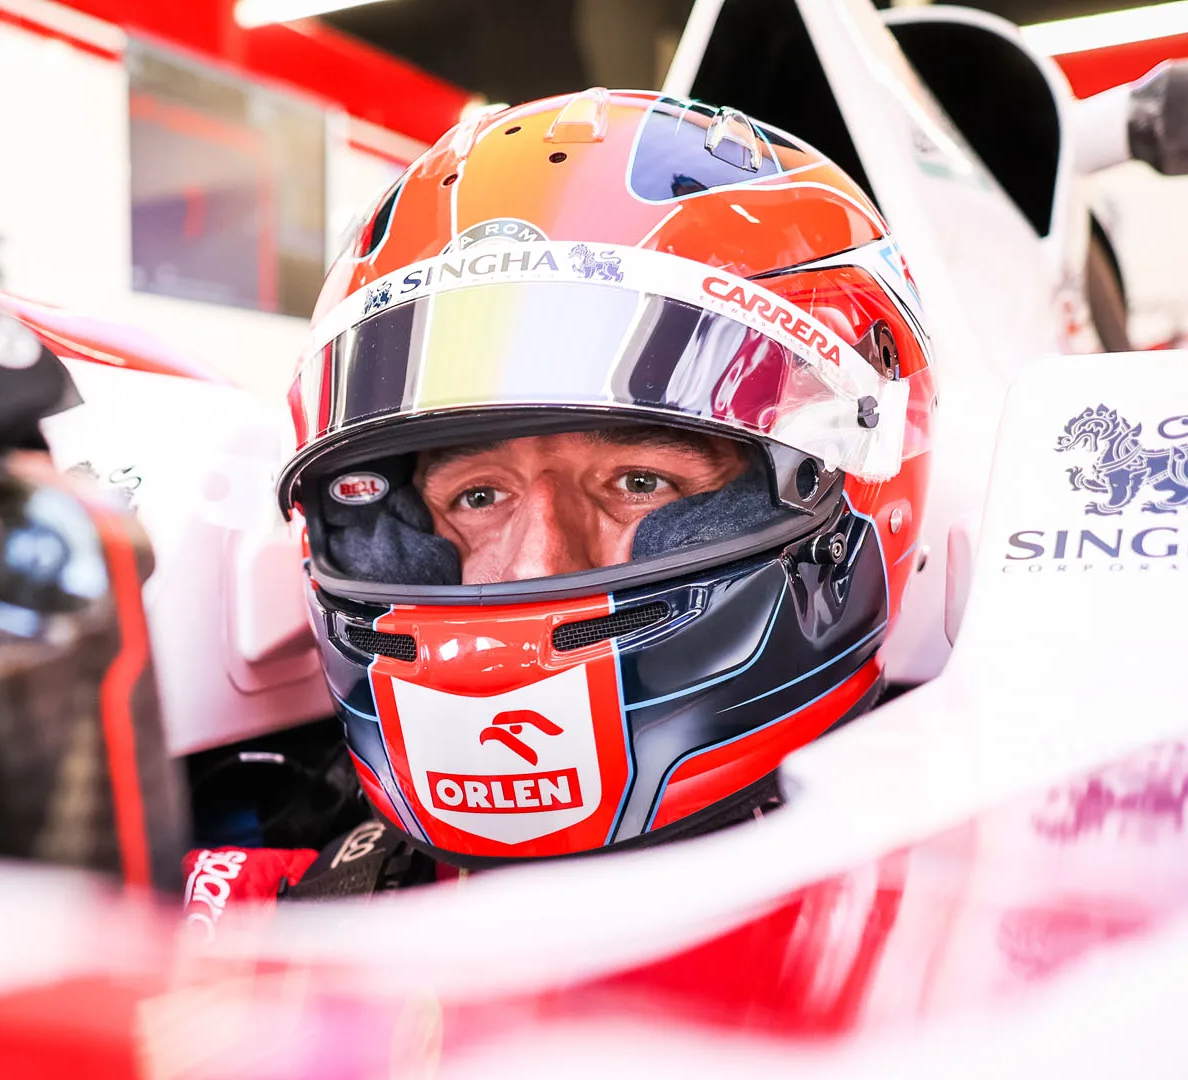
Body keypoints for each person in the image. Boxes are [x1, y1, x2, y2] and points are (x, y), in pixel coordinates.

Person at [182, 88, 935, 931]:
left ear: (853, 468)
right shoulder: (249, 922)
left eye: (641, 482)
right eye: (479, 496)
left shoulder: (970, 928)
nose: (536, 561)